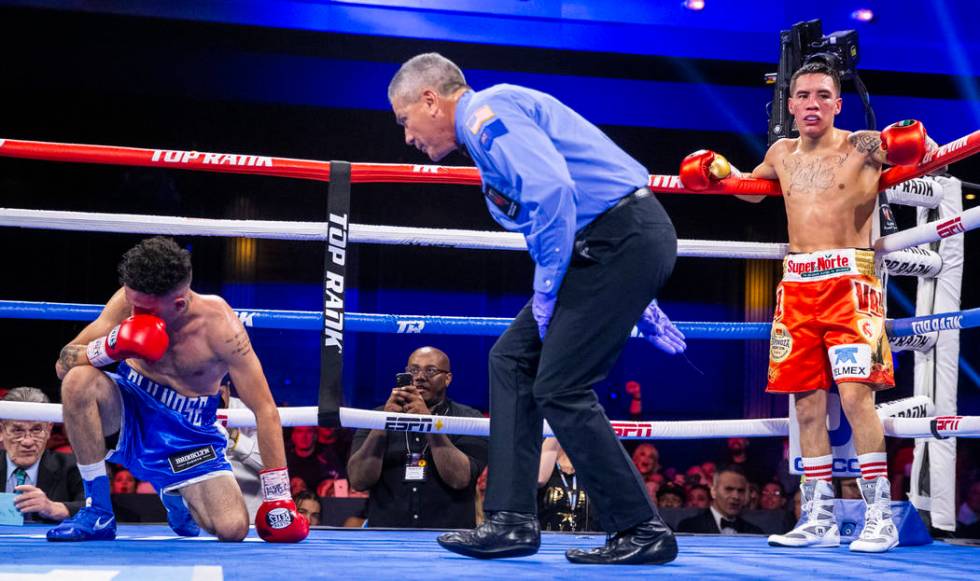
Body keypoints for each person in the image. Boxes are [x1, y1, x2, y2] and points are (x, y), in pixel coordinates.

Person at [387, 52, 684, 565]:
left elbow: (554, 193)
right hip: (607, 246)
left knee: (561, 386)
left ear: (430, 100)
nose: (407, 136)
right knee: (511, 359)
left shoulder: (486, 115)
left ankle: (640, 527)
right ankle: (511, 520)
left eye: (404, 119)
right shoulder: (488, 131)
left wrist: (547, 291)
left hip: (615, 242)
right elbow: (557, 206)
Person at [680, 61, 931, 553]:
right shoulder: (780, 152)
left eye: (822, 95)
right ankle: (818, 517)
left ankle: (878, 514)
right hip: (796, 287)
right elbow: (752, 190)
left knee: (858, 398)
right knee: (807, 404)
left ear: (837, 104)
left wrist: (913, 142)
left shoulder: (864, 144)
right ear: (790, 105)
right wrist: (720, 171)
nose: (812, 104)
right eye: (803, 96)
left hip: (850, 285)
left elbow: (920, 154)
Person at [47, 237, 307, 543]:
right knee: (79, 381)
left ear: (179, 303)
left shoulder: (221, 329)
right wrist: (108, 348)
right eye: (132, 302)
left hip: (189, 437)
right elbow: (64, 364)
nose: (133, 311)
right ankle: (98, 512)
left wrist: (278, 495)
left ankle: (173, 491)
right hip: (127, 413)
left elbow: (264, 409)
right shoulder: (130, 302)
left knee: (232, 529)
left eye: (144, 309)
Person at [347, 346, 488, 529]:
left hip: (448, 537)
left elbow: (460, 479)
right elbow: (358, 481)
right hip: (386, 537)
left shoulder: (468, 419)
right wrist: (383, 423)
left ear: (447, 379)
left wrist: (427, 422)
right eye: (413, 370)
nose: (420, 377)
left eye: (431, 370)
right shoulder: (377, 417)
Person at [1, 387, 84, 522]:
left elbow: (98, 507)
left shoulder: (75, 468)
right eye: (17, 430)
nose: (27, 441)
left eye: (36, 429)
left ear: (49, 429)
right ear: (1, 431)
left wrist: (54, 508)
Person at [218, 378, 264, 520]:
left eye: (219, 392)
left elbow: (269, 463)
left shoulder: (250, 412)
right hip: (204, 511)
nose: (214, 399)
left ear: (228, 388)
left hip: (250, 510)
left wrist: (234, 438)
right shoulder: (189, 412)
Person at [677, 466, 763, 535]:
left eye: (741, 491)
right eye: (729, 489)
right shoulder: (689, 528)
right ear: (713, 491)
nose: (736, 496)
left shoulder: (755, 533)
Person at [536, 437, 598, 532]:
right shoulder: (544, 458)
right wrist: (553, 432)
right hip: (546, 543)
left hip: (584, 543)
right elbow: (540, 479)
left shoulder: (589, 464)